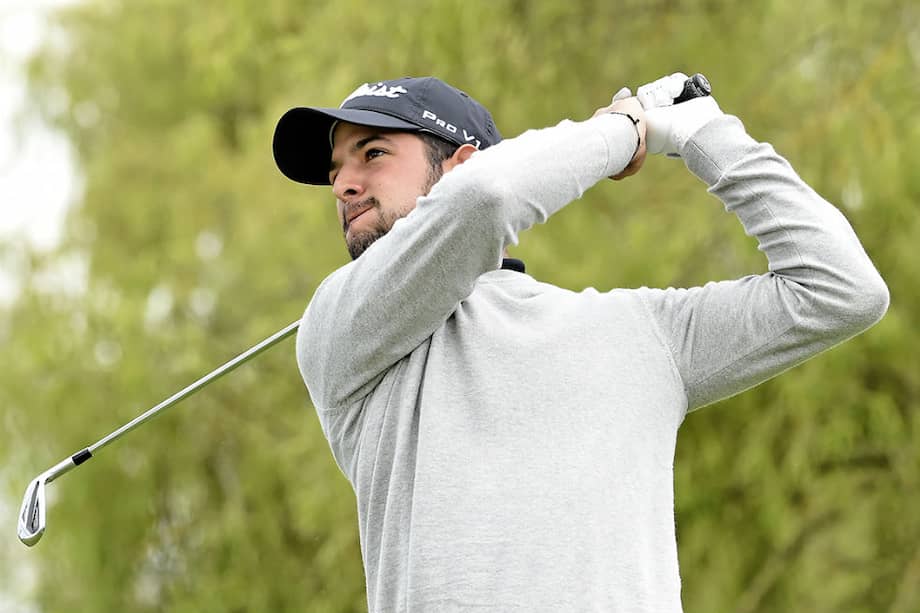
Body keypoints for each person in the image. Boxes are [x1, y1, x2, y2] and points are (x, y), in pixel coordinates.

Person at [272, 74, 888, 612]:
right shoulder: (340, 326)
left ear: (463, 163)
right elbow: (486, 202)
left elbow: (840, 289)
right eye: (335, 171)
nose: (342, 185)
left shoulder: (642, 333)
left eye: (372, 154)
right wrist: (622, 130)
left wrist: (703, 132)